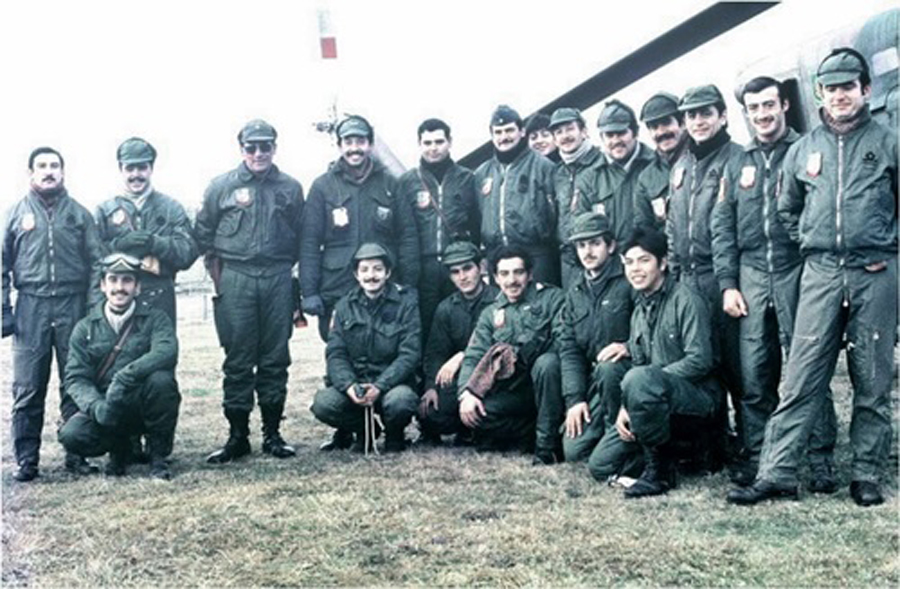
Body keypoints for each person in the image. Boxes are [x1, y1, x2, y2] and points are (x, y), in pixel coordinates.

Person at [728, 48, 897, 507]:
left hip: (874, 273)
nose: (839, 96)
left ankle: (866, 474)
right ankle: (777, 472)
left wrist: (885, 247)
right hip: (820, 274)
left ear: (865, 90)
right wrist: (813, 244)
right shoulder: (804, 149)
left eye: (848, 87)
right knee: (800, 377)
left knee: (872, 378)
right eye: (830, 89)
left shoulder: (888, 142)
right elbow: (788, 209)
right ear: (819, 94)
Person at [711, 76, 837, 489]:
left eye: (769, 105)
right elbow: (722, 226)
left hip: (797, 269)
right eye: (754, 108)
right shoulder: (736, 160)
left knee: (807, 368)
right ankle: (760, 456)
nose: (762, 115)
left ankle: (819, 459)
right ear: (745, 113)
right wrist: (729, 283)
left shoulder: (807, 149)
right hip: (750, 274)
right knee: (755, 373)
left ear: (784, 105)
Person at [194, 119, 303, 463]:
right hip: (236, 276)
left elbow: (302, 235)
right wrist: (219, 276)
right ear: (241, 150)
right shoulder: (220, 187)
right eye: (251, 147)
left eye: (265, 146)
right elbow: (203, 234)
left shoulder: (290, 187)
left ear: (275, 147)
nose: (259, 153)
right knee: (238, 359)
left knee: (275, 357)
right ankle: (237, 436)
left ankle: (272, 433)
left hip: (276, 276)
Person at [590, 227, 720, 497]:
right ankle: (671, 454)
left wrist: (645, 385)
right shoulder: (640, 308)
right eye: (629, 262)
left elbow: (700, 360)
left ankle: (660, 473)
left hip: (697, 401)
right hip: (651, 401)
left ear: (662, 262)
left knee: (640, 378)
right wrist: (630, 399)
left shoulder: (686, 299)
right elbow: (639, 359)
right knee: (600, 465)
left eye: (644, 260)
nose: (635, 269)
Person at [2, 146, 104, 482]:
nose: (49, 171)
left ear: (64, 171)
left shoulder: (79, 215)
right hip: (31, 305)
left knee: (75, 381)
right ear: (30, 173)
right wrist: (4, 309)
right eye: (42, 166)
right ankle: (26, 460)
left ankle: (75, 454)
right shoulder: (15, 214)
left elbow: (96, 264)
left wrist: (92, 310)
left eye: (55, 166)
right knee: (28, 386)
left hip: (72, 303)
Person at [666, 84, 744, 463]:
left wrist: (730, 282)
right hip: (687, 280)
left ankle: (751, 446)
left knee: (738, 366)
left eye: (705, 113)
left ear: (723, 116)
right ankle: (712, 443)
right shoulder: (680, 166)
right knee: (699, 362)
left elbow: (734, 227)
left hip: (723, 277)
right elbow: (670, 228)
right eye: (691, 115)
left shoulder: (737, 159)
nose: (698, 121)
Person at [58, 253, 180, 479]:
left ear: (138, 287)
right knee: (72, 435)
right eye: (113, 280)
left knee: (162, 382)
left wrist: (125, 378)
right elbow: (76, 378)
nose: (119, 288)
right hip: (107, 405)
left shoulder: (155, 318)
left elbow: (166, 352)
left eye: (127, 281)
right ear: (103, 286)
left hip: (141, 402)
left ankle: (158, 457)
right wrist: (95, 406)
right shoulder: (85, 328)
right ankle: (119, 448)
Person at [301, 115, 419, 341]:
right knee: (339, 349)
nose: (354, 148)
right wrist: (310, 292)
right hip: (337, 286)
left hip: (384, 286)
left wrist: (409, 285)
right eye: (348, 142)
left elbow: (407, 237)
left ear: (370, 145)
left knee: (385, 347)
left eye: (360, 141)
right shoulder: (322, 186)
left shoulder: (390, 184)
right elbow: (309, 243)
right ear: (339, 146)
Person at [457, 245, 565, 464]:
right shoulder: (491, 312)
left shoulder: (552, 299)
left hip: (550, 387)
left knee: (547, 363)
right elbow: (474, 353)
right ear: (495, 278)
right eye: (504, 274)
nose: (512, 280)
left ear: (530, 274)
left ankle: (546, 447)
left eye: (518, 272)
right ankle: (529, 431)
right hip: (518, 393)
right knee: (477, 414)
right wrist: (467, 393)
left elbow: (564, 344)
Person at [311, 243, 421, 453]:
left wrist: (380, 385)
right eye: (365, 270)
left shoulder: (406, 304)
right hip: (356, 386)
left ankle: (395, 434)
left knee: (401, 401)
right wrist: (350, 386)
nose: (371, 276)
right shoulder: (344, 306)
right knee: (323, 403)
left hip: (391, 386)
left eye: (378, 269)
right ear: (356, 274)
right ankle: (365, 430)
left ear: (388, 272)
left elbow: (410, 354)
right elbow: (336, 354)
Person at [554, 213, 633, 465]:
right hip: (595, 382)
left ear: (610, 246)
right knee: (574, 451)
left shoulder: (629, 280)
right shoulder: (576, 289)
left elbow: (653, 327)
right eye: (581, 245)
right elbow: (569, 349)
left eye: (595, 243)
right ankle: (608, 440)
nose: (587, 251)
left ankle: (623, 439)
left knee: (610, 368)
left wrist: (629, 346)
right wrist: (575, 399)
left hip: (627, 378)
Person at [95, 137, 198, 325]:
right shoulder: (105, 210)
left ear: (151, 168)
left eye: (142, 167)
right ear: (120, 169)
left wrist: (156, 243)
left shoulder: (171, 208)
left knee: (161, 352)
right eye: (129, 168)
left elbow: (188, 252)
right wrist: (119, 245)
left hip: (159, 297)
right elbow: (94, 256)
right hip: (118, 300)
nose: (136, 175)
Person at [397, 118, 479, 342]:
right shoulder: (407, 182)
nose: (433, 148)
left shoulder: (467, 178)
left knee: (461, 324)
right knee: (424, 326)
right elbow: (402, 231)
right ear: (419, 144)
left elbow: (476, 225)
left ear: (450, 142)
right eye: (427, 142)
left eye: (439, 141)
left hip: (458, 266)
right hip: (423, 269)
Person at [418, 241, 499, 445]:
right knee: (430, 413)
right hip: (460, 380)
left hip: (495, 377)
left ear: (480, 268)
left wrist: (462, 356)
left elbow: (502, 345)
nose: (462, 277)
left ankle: (476, 428)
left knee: (494, 413)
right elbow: (436, 351)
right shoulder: (446, 308)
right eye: (455, 272)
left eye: (467, 268)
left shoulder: (499, 300)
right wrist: (430, 387)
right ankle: (464, 426)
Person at [475, 105, 559, 285]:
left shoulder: (543, 166)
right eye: (498, 132)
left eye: (509, 130)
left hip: (536, 254)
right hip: (497, 256)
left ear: (521, 132)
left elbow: (556, 213)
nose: (504, 137)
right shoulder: (483, 173)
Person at [548, 107, 605, 288]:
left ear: (584, 131)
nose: (565, 136)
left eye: (570, 129)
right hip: (569, 261)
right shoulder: (557, 173)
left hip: (600, 255)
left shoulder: (602, 164)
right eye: (559, 132)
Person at [586, 100, 655, 243]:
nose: (616, 140)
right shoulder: (591, 177)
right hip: (609, 261)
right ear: (602, 138)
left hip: (650, 259)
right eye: (609, 135)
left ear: (635, 132)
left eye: (621, 133)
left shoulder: (656, 166)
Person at [633, 92, 688, 231]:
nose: (661, 132)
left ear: (682, 123)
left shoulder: (704, 160)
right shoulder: (646, 179)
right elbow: (643, 226)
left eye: (666, 123)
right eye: (654, 127)